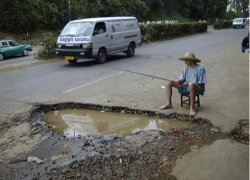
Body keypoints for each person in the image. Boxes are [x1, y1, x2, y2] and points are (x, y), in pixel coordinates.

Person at [160, 52, 207, 116]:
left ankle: (192, 108)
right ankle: (169, 103)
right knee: (169, 82)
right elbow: (183, 79)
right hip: (186, 87)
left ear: (191, 60)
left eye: (186, 60)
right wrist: (180, 81)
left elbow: (201, 84)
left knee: (191, 84)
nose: (185, 62)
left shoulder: (200, 69)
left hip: (197, 88)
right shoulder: (186, 68)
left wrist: (189, 83)